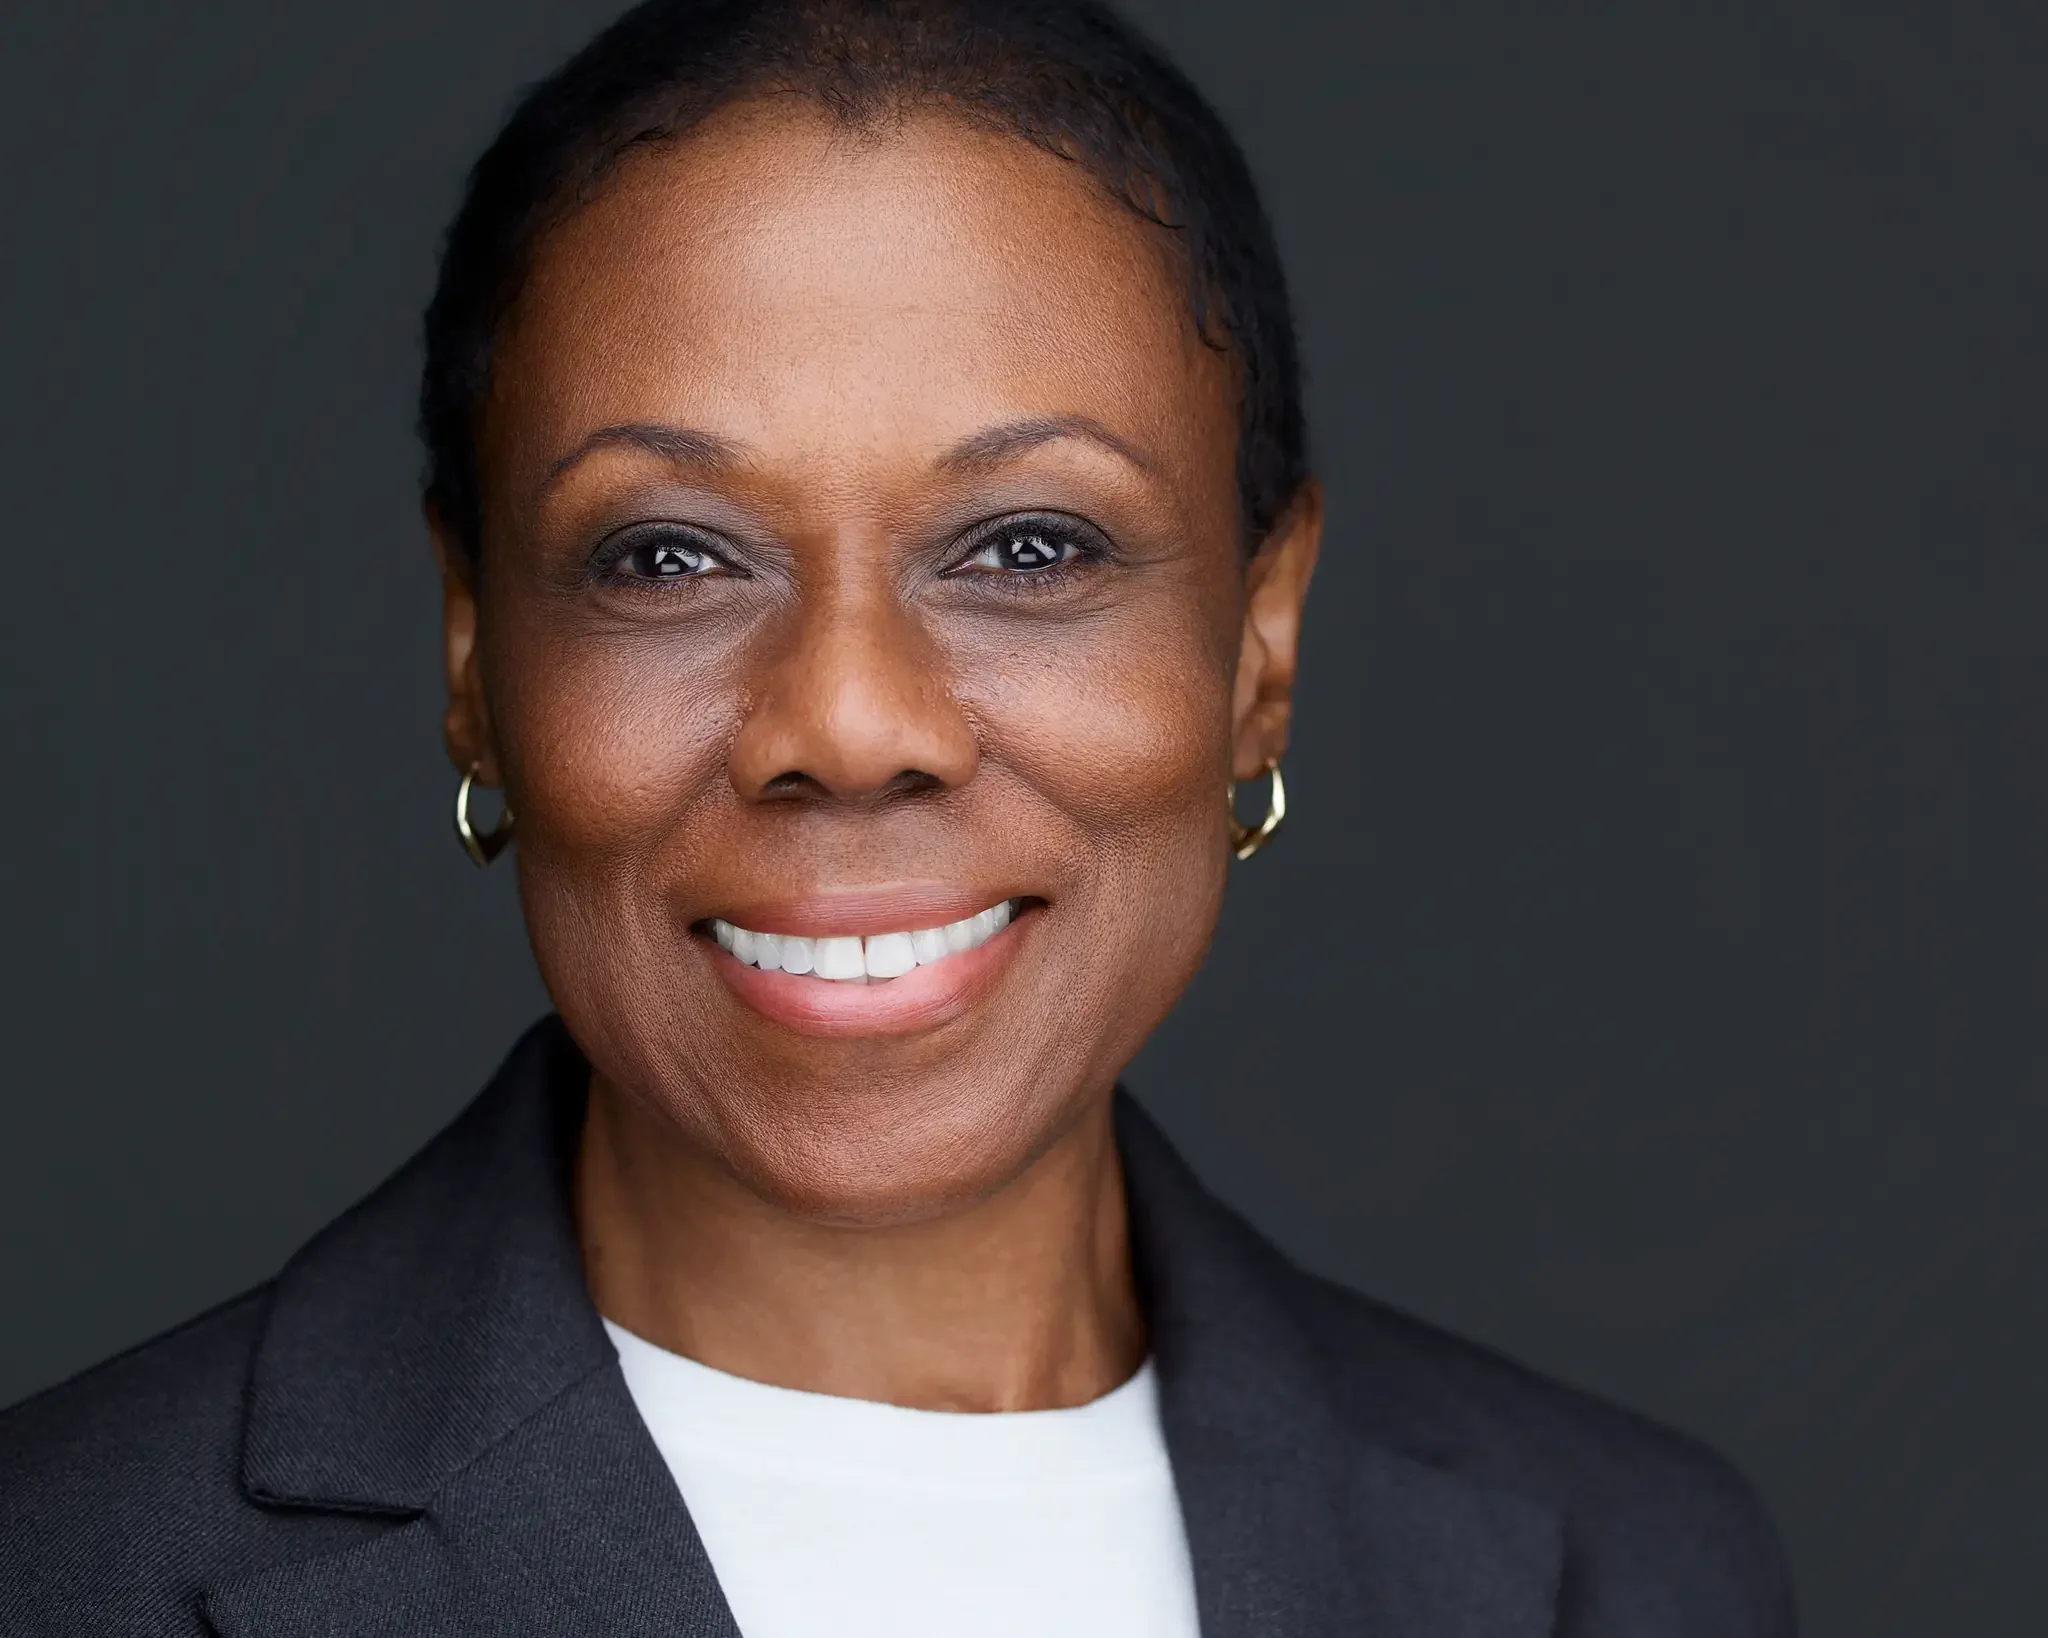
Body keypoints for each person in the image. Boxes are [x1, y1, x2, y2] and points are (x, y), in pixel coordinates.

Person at [0, 2, 1795, 1633]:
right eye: (668, 554)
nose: (850, 726)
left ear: (1259, 640)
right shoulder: (62, 1568)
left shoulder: (1631, 1573)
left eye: (1029, 546)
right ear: (477, 655)